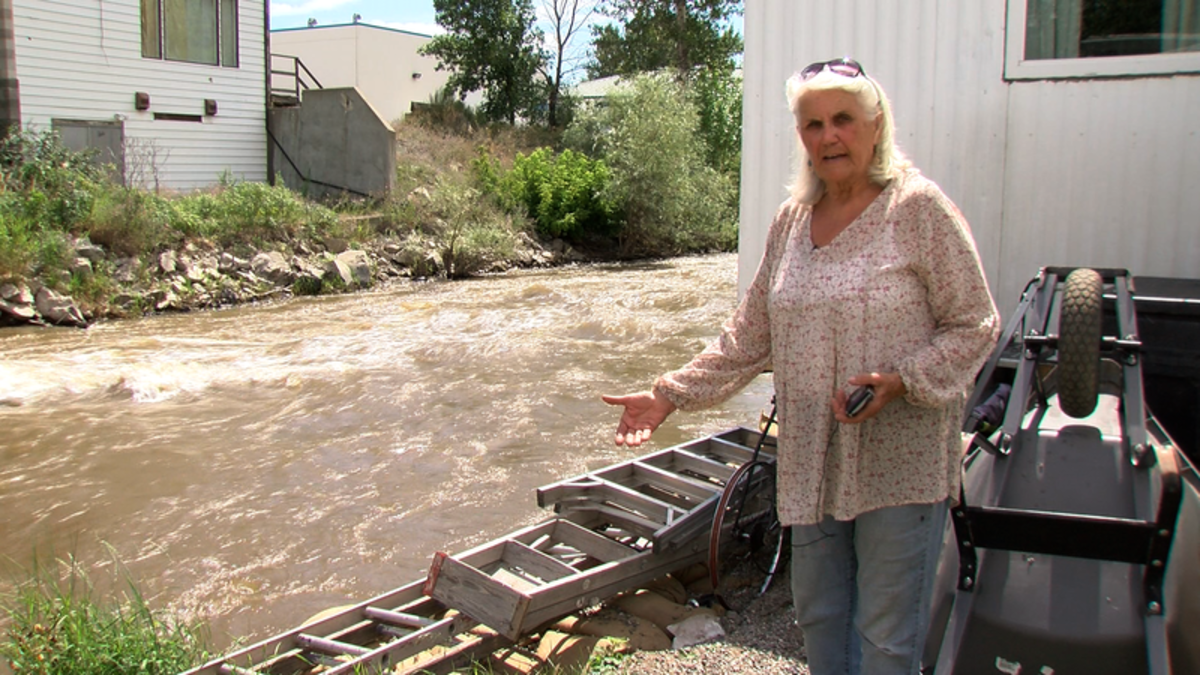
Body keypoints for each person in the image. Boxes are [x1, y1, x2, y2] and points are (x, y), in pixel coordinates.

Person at [602, 58, 1000, 675]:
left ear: (876, 125)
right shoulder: (790, 222)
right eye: (811, 124)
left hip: (900, 460)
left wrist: (904, 381)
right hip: (810, 459)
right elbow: (749, 333)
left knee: (887, 635)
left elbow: (975, 323)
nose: (828, 136)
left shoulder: (917, 209)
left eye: (843, 119)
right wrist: (667, 394)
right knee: (819, 617)